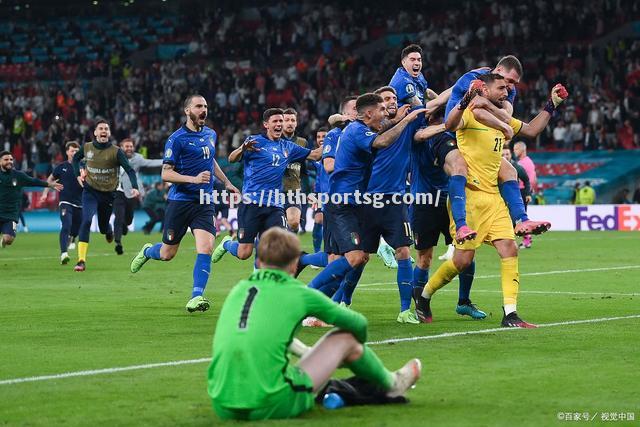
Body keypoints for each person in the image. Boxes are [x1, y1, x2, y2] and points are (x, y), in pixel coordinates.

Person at [207, 227, 421, 421]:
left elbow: (258, 334)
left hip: (221, 404)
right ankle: (393, 383)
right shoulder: (299, 293)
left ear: (259, 262)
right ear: (293, 265)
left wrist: (308, 352)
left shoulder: (238, 290)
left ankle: (339, 390)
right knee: (345, 339)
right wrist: (342, 356)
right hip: (272, 403)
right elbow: (359, 325)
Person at [414, 74, 568, 328]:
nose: (506, 92)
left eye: (508, 88)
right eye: (501, 88)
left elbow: (531, 130)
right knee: (462, 261)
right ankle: (425, 295)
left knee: (510, 249)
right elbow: (451, 123)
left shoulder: (499, 116)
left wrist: (551, 104)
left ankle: (510, 314)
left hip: (494, 198)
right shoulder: (470, 114)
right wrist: (465, 101)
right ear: (484, 89)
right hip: (470, 197)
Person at [307, 93, 425, 300]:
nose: (385, 113)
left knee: (358, 257)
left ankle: (320, 301)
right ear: (369, 113)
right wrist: (405, 121)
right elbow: (381, 142)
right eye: (381, 110)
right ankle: (308, 292)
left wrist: (396, 120)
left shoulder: (362, 129)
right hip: (342, 203)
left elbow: (382, 132)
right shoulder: (357, 131)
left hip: (355, 204)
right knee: (352, 258)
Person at [130, 94, 239, 313]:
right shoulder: (176, 139)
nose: (204, 110)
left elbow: (210, 160)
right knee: (167, 254)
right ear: (187, 111)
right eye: (199, 106)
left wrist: (226, 182)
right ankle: (148, 251)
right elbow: (165, 173)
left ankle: (196, 296)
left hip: (204, 202)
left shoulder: (211, 134)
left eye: (206, 106)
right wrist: (194, 179)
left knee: (206, 248)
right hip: (180, 202)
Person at [443, 56, 551, 242]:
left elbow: (508, 114)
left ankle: (521, 220)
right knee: (459, 166)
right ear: (498, 70)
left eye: (513, 84)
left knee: (509, 170)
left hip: (476, 140)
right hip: (449, 135)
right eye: (508, 82)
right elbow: (476, 111)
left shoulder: (507, 89)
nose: (509, 88)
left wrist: (551, 105)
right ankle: (461, 225)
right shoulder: (474, 79)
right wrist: (503, 125)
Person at [211, 108, 322, 265]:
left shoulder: (288, 147)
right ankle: (227, 244)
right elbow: (231, 159)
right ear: (266, 124)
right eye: (275, 121)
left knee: (277, 249)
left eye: (281, 121)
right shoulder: (254, 142)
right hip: (251, 204)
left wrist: (335, 137)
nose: (279, 124)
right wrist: (242, 148)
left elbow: (315, 155)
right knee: (244, 253)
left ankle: (270, 280)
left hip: (274, 206)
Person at [412, 109, 486, 321]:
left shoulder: (452, 132)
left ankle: (464, 302)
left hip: (451, 200)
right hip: (424, 201)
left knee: (466, 249)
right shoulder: (419, 134)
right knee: (425, 258)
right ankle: (420, 303)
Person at [72, 119, 140, 272]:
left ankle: (108, 231)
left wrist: (135, 187)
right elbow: (76, 159)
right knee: (87, 220)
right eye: (101, 128)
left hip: (108, 195)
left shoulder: (116, 151)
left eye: (106, 129)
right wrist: (78, 174)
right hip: (90, 191)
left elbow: (129, 169)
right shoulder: (87, 147)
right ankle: (81, 260)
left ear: (109, 133)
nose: (104, 131)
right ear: (95, 133)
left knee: (103, 228)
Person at [0, 151, 62, 248]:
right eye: (6, 159)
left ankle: (3, 240)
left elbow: (33, 181)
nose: (9, 161)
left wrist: (49, 184)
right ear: (0, 162)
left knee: (9, 239)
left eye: (11, 159)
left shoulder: (18, 175)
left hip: (11, 214)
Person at [113, 138, 163, 255]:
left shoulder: (138, 158)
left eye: (131, 146)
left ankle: (124, 227)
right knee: (118, 216)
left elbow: (150, 162)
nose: (129, 148)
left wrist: (167, 160)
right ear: (121, 147)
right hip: (116, 192)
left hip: (131, 192)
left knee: (128, 220)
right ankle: (118, 243)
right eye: (127, 146)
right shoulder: (114, 157)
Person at [40, 141, 84, 264]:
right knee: (66, 225)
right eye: (72, 151)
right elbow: (50, 179)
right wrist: (45, 193)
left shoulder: (83, 167)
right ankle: (63, 253)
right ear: (67, 152)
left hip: (80, 203)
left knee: (76, 230)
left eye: (76, 151)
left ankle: (72, 238)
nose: (74, 153)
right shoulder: (61, 167)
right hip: (65, 201)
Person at [281, 108, 308, 233]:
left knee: (294, 223)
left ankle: (287, 249)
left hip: (294, 190)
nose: (290, 123)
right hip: (275, 190)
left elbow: (303, 168)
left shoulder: (302, 142)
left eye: (293, 120)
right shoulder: (274, 141)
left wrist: (307, 190)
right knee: (271, 226)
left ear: (296, 123)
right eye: (287, 120)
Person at [513, 141, 536, 248]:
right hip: (520, 191)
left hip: (522, 191)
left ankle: (527, 240)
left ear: (522, 149)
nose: (514, 151)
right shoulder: (522, 162)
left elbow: (531, 179)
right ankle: (526, 239)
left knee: (521, 217)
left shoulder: (526, 162)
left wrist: (528, 193)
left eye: (516, 149)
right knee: (518, 217)